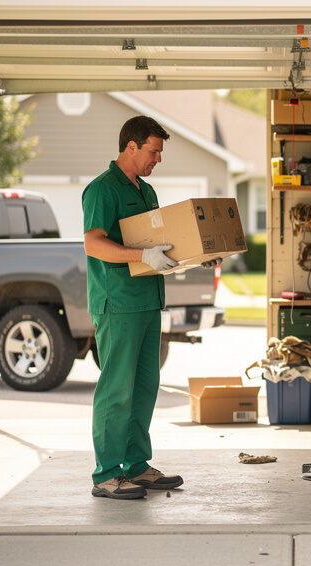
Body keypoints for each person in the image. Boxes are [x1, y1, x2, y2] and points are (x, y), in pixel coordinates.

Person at [82, 115, 219, 500]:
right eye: (153, 151)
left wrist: (199, 257)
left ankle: (136, 466)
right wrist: (143, 253)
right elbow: (93, 244)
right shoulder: (102, 190)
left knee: (144, 387)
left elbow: (159, 248)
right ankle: (107, 475)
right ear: (131, 146)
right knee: (116, 389)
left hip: (146, 302)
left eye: (159, 152)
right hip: (118, 303)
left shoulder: (147, 191)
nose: (158, 158)